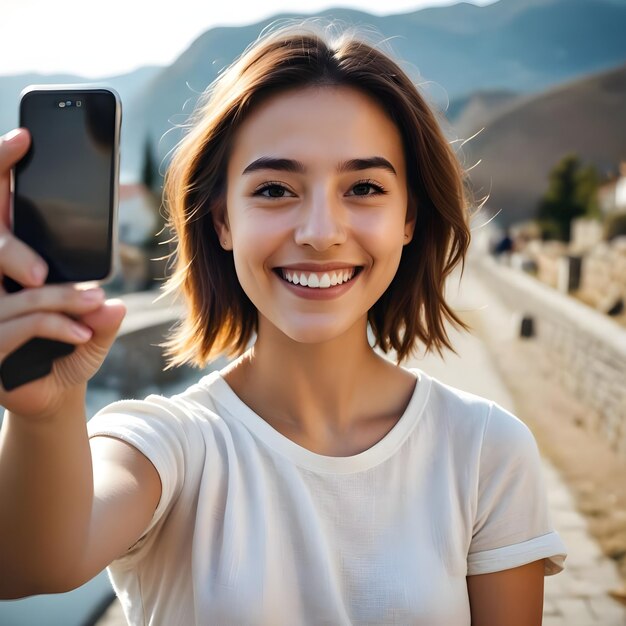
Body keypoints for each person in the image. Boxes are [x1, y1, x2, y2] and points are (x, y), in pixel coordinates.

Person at [0, 22, 567, 625]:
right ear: (222, 221)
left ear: (409, 218)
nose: (321, 232)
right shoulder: (169, 445)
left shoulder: (486, 451)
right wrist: (46, 413)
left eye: (365, 187)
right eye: (274, 189)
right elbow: (30, 566)